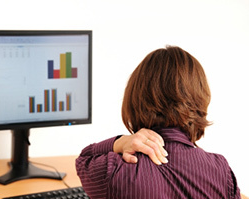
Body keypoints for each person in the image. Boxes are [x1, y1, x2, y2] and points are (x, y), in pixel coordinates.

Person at [76, 46, 243, 199]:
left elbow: (83, 160)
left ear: (135, 100)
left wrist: (120, 142)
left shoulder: (115, 170)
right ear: (199, 101)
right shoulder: (221, 170)